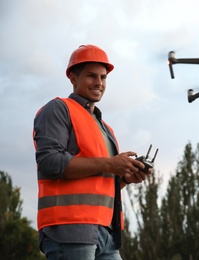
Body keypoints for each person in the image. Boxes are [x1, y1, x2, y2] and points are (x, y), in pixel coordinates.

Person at [33, 44, 152, 259]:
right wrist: (110, 164)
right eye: (91, 76)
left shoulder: (106, 129)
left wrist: (124, 179)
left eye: (103, 77)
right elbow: (50, 163)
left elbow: (96, 182)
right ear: (72, 77)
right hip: (69, 229)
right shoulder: (58, 109)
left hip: (106, 235)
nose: (99, 83)